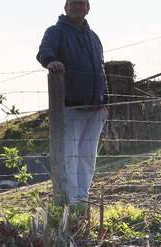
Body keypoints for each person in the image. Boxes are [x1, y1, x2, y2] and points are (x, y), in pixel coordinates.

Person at [36, 0, 107, 204]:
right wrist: (51, 62)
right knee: (70, 156)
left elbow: (100, 70)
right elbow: (44, 51)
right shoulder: (55, 31)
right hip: (70, 105)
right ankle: (70, 202)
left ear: (88, 8)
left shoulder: (94, 37)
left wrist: (105, 101)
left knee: (87, 156)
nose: (77, 7)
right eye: (73, 4)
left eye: (81, 4)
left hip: (96, 107)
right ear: (65, 7)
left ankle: (82, 200)